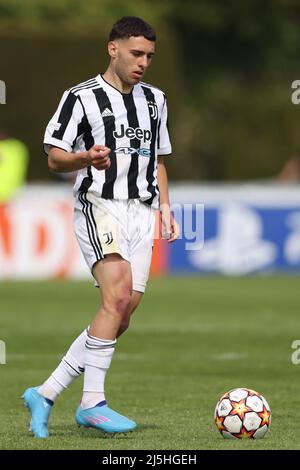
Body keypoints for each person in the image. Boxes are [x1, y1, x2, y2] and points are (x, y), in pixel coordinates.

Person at [22, 16, 179, 438]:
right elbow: (55, 156)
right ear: (113, 48)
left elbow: (158, 160)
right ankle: (92, 403)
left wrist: (165, 207)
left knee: (121, 313)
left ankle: (46, 391)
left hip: (142, 212)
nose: (143, 62)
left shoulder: (155, 101)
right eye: (135, 53)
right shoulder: (81, 98)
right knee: (118, 295)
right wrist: (85, 159)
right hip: (99, 205)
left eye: (149, 55)